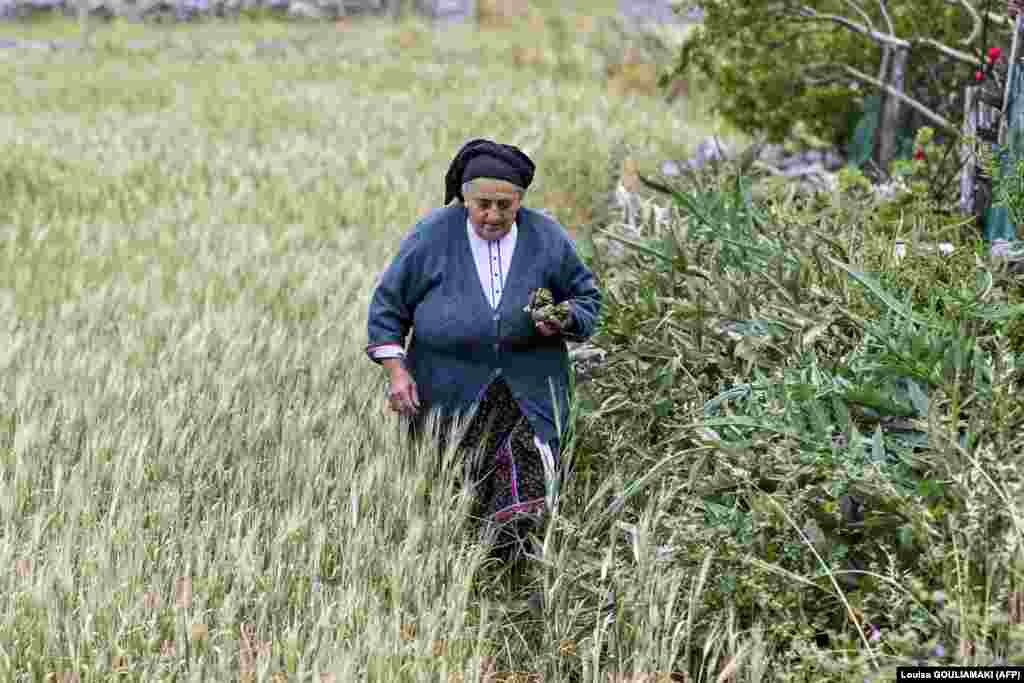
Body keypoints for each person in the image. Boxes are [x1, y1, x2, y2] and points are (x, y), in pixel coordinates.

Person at [366, 139, 602, 561]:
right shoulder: (432, 236)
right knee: (456, 486)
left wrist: (562, 317)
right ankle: (464, 569)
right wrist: (397, 372)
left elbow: (587, 299)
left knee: (524, 483)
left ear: (520, 202)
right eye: (482, 205)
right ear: (464, 200)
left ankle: (510, 569)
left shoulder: (547, 236)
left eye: (504, 206)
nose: (492, 215)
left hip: (527, 386)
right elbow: (388, 307)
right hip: (449, 389)